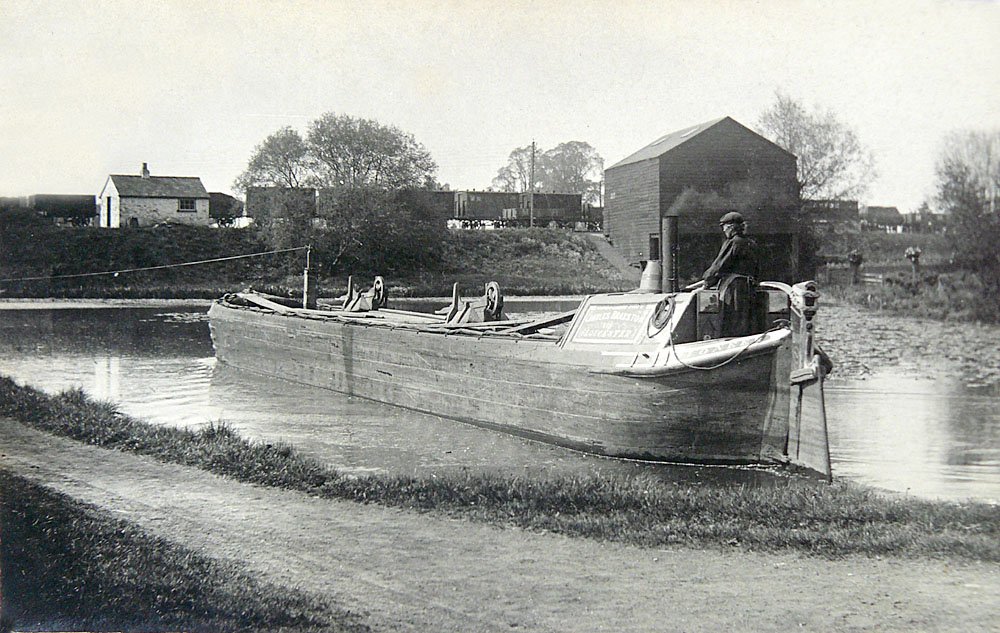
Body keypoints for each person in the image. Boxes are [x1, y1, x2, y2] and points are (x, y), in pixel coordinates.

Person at [700, 211, 760, 337]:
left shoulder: (734, 242)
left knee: (731, 323)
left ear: (731, 227)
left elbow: (719, 265)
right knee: (746, 323)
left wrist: (707, 280)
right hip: (749, 289)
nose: (723, 231)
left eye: (724, 227)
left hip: (735, 290)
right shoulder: (751, 243)